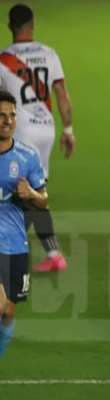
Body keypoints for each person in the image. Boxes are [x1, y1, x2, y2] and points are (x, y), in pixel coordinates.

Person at [0, 3, 74, 272]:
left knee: (20, 193)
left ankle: (15, 250)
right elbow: (62, 95)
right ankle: (53, 252)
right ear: (32, 25)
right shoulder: (49, 53)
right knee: (34, 192)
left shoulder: (3, 59)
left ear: (10, 26)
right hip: (48, 130)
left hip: (21, 131)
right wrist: (68, 130)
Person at [0, 91, 47, 357]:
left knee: (8, 312)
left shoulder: (27, 156)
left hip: (15, 243)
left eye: (12, 115)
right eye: (1, 116)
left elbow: (44, 201)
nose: (7, 121)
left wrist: (31, 194)